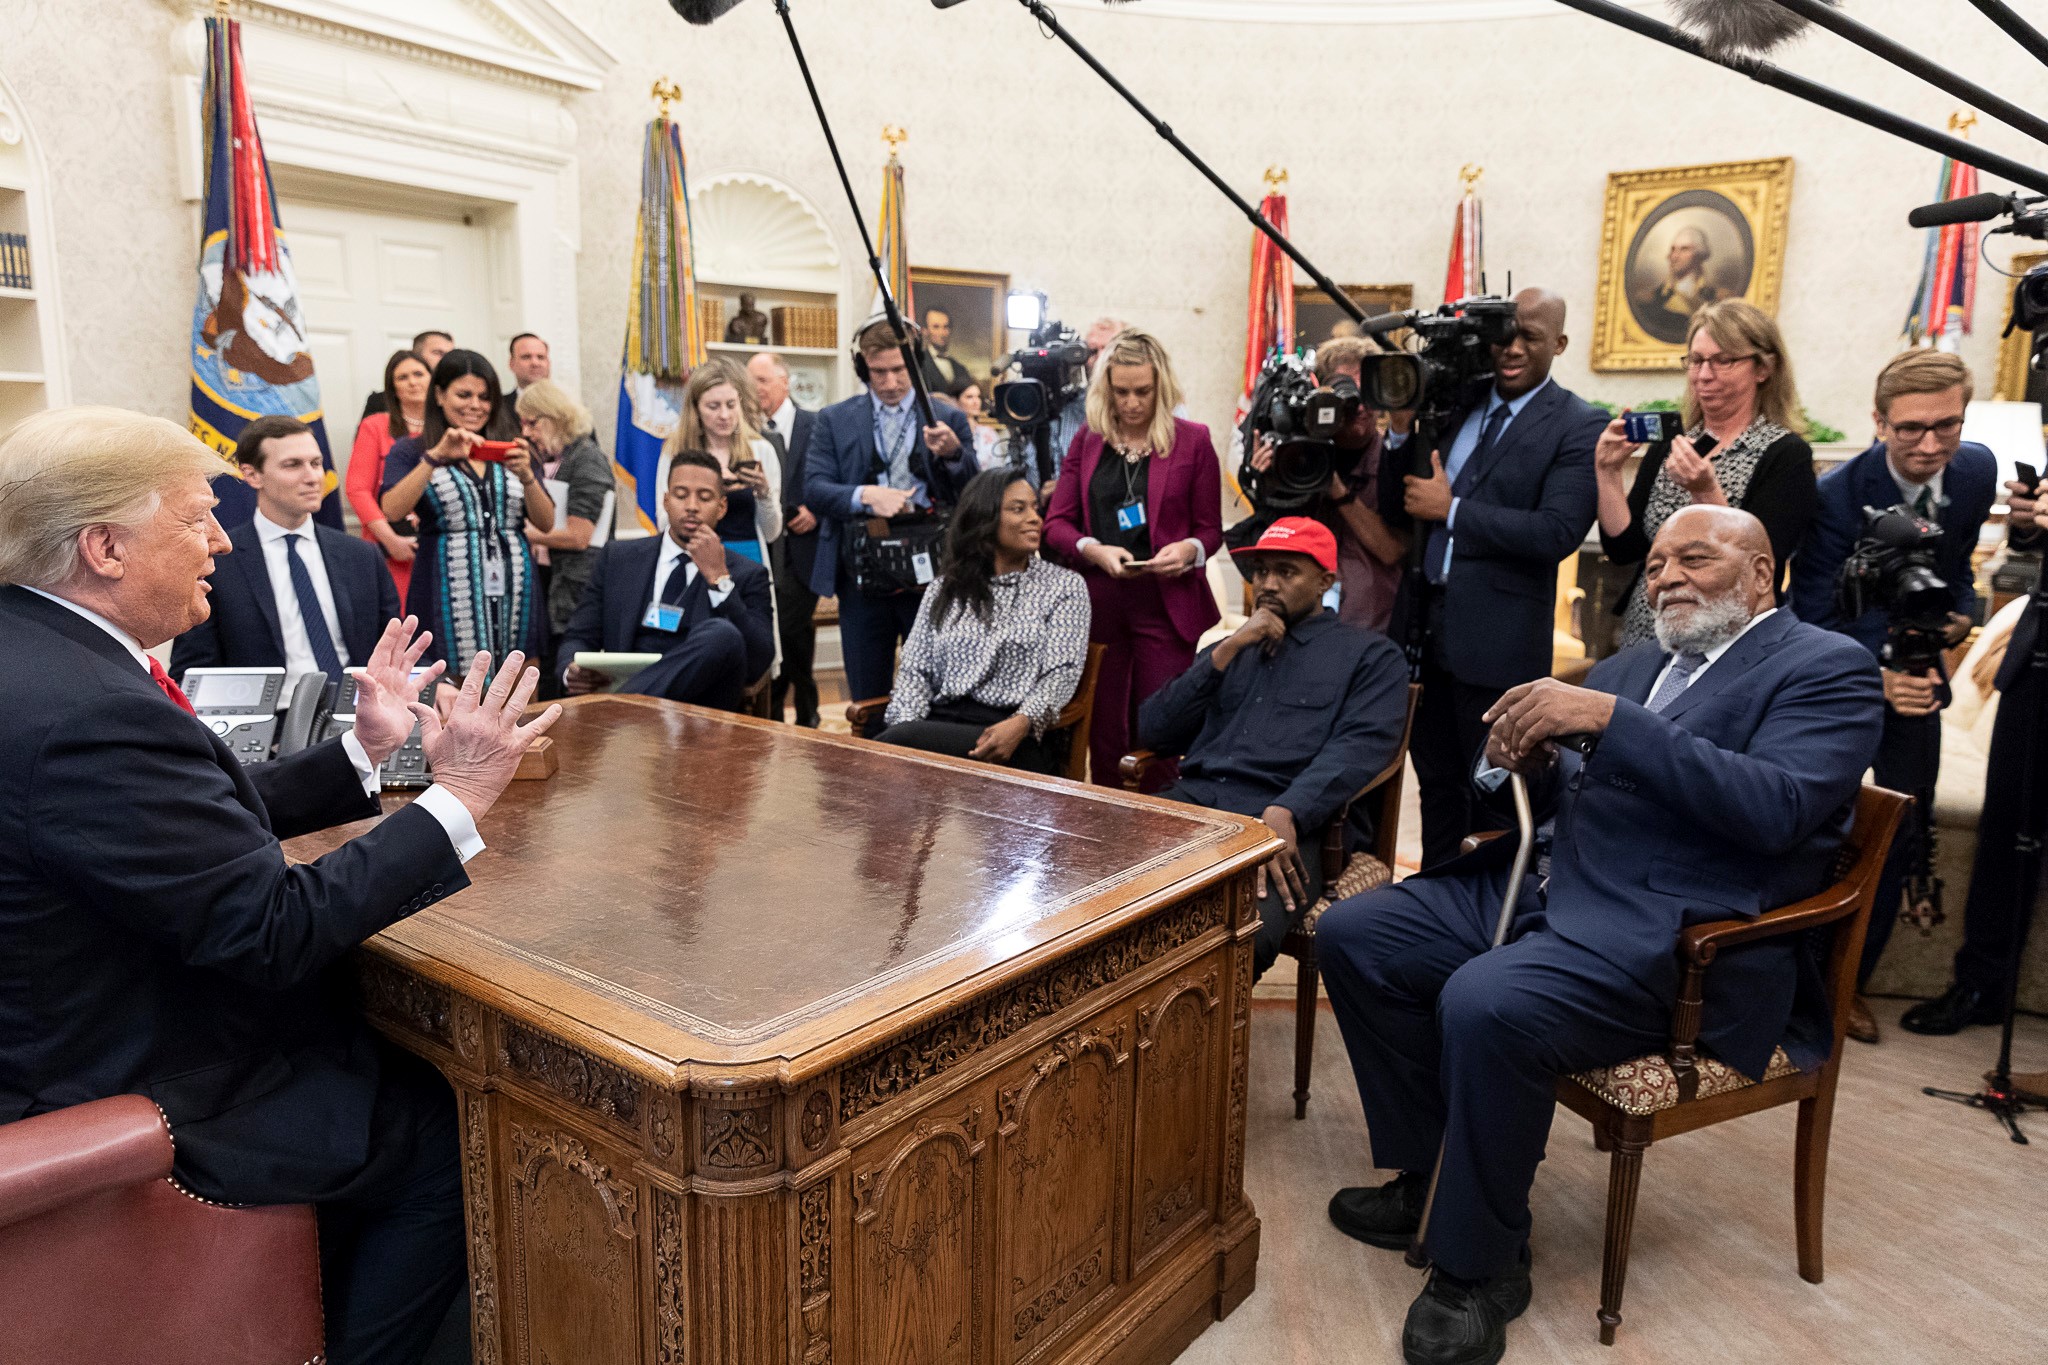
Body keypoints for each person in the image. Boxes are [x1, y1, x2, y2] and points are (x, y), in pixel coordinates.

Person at [0, 405, 560, 1365]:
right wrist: (460, 794)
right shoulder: (89, 711)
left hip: (66, 1022)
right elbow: (273, 930)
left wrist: (360, 753)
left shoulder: (38, 658)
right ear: (104, 547)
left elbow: (165, 826)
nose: (223, 539)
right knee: (445, 1131)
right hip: (135, 1074)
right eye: (196, 518)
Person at [1317, 506, 1882, 1365]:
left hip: (1675, 933)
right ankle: (1433, 1176)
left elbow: (1778, 808)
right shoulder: (1635, 663)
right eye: (1654, 566)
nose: (1666, 578)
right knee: (1357, 933)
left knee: (1486, 1003)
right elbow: (1562, 786)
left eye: (1694, 558)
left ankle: (1479, 1264)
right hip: (1549, 884)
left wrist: (1613, 720)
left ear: (1762, 573)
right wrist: (1526, 760)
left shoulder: (1825, 667)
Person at [1787, 349, 1996, 1043]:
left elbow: (1958, 566)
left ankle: (1846, 985)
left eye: (1947, 425)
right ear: (1878, 422)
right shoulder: (1834, 497)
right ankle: (1789, 981)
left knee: (1901, 830)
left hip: (1919, 675)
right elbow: (1812, 614)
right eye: (1910, 428)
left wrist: (1958, 619)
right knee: (1820, 832)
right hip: (1839, 683)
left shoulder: (1976, 472)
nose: (1930, 445)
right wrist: (1877, 680)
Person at [1386, 287, 1605, 867]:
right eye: (1505, 334)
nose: (1512, 348)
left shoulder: (1579, 423)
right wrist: (1400, 432)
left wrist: (1453, 510)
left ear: (1559, 343)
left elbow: (1556, 531)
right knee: (1436, 786)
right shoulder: (1455, 401)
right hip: (1421, 630)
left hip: (1498, 644)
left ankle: (1491, 911)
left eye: (1530, 337)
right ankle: (1433, 897)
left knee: (1497, 795)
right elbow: (1399, 499)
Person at [1138, 517, 1409, 976]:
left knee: (1236, 937)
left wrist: (1290, 808)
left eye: (1286, 572)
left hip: (1289, 819)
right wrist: (1226, 650)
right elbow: (1154, 731)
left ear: (1325, 581)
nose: (1267, 583)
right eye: (1261, 571)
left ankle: (1201, 1023)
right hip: (1195, 805)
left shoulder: (1370, 656)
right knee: (1106, 906)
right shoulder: (1233, 648)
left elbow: (1360, 747)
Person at [1894, 464, 2048, 1037]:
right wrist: (2028, 526)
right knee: (2004, 831)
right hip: (2034, 662)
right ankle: (1982, 984)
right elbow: (2031, 551)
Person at [1045, 329, 1223, 787]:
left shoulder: (1193, 440)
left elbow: (1210, 531)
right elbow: (1057, 523)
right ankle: (1108, 820)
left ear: (1161, 386)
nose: (1131, 403)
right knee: (1103, 731)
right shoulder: (1089, 440)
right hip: (1101, 599)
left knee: (1160, 730)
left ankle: (1164, 821)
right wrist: (1093, 549)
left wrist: (1189, 550)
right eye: (1121, 392)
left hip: (1164, 601)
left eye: (1142, 392)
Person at [1597, 298, 1817, 649]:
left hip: (1728, 642)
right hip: (1647, 636)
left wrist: (1705, 491)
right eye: (1696, 360)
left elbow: (1758, 566)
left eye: (1723, 361)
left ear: (1763, 369)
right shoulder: (1672, 445)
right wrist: (1607, 471)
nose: (1704, 375)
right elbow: (1624, 549)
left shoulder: (1786, 454)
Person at [805, 318, 977, 713]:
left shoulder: (947, 418)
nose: (890, 382)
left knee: (936, 692)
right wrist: (866, 496)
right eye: (878, 372)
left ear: (915, 364)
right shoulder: (833, 419)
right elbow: (814, 488)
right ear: (862, 367)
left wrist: (954, 453)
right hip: (861, 574)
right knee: (868, 696)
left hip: (933, 572)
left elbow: (972, 491)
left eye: (899, 370)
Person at [876, 469, 1090, 773]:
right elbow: (915, 670)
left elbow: (1061, 674)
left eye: (1035, 508)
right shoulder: (947, 587)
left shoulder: (1064, 586)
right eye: (1018, 509)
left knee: (879, 759)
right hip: (938, 725)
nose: (1035, 518)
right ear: (984, 518)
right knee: (896, 752)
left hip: (1013, 736)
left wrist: (1022, 722)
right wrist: (905, 725)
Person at [171, 414, 400, 686]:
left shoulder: (362, 556)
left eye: (316, 463)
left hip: (356, 704)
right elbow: (192, 675)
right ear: (252, 475)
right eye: (293, 465)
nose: (313, 477)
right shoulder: (217, 562)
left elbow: (396, 650)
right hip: (271, 709)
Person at [379, 349, 554, 675]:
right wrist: (434, 458)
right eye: (464, 395)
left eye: (484, 397)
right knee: (450, 685)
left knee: (520, 683)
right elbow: (392, 509)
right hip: (446, 587)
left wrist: (528, 476)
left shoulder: (512, 449)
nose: (475, 405)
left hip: (516, 587)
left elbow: (545, 523)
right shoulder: (413, 450)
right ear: (439, 395)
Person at [555, 451, 774, 709]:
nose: (692, 506)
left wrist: (720, 579)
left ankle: (618, 708)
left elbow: (759, 659)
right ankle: (627, 706)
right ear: (666, 501)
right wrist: (570, 670)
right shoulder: (618, 558)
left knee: (722, 634)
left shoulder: (747, 573)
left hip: (700, 708)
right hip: (625, 686)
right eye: (681, 495)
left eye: (704, 497)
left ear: (722, 507)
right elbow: (579, 635)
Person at [1249, 336, 1406, 632]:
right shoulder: (1295, 456)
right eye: (1346, 393)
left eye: (1367, 392)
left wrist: (1334, 487)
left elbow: (1391, 549)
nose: (1359, 406)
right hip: (1298, 624)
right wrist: (1268, 482)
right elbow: (1270, 549)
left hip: (1369, 625)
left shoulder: (1396, 459)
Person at [515, 378, 615, 657]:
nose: (526, 433)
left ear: (555, 417)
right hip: (555, 584)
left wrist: (521, 534)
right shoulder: (557, 459)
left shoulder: (587, 459)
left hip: (576, 590)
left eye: (532, 423)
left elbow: (579, 536)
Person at [749, 352, 823, 727]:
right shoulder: (746, 431)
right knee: (783, 632)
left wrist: (817, 510)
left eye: (762, 380)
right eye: (751, 381)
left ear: (785, 382)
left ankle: (796, 710)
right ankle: (789, 713)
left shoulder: (817, 424)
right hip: (763, 551)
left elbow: (833, 476)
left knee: (790, 627)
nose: (755, 389)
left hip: (804, 551)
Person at [664, 357, 783, 564]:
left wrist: (764, 494)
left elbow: (772, 533)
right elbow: (663, 521)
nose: (724, 415)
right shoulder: (676, 451)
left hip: (749, 558)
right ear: (696, 409)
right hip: (693, 557)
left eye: (731, 405)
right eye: (713, 406)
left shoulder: (761, 450)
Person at [347, 349, 431, 601]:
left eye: (419, 374)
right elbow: (357, 490)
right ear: (392, 388)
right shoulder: (375, 425)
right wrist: (391, 541)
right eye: (403, 377)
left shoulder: (450, 430)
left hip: (438, 548)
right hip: (388, 549)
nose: (413, 382)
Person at [1044, 316, 1131, 500]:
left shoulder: (1158, 407)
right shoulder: (1067, 410)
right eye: (1092, 351)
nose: (1100, 358)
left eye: (1109, 349)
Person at [1632, 224, 1732, 345]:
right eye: (1673, 249)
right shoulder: (1649, 300)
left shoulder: (1720, 298)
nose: (1674, 256)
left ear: (1699, 254)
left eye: (1684, 249)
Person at [360, 329, 452, 422]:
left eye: (450, 354)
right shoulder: (380, 403)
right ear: (417, 354)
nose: (447, 359)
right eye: (438, 353)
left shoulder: (451, 399)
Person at [919, 306, 977, 398]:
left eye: (945, 327)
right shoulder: (919, 363)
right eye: (936, 327)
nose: (942, 333)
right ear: (925, 331)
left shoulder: (960, 368)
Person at [497, 332, 551, 427]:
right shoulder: (497, 407)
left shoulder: (565, 406)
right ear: (511, 363)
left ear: (549, 363)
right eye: (526, 357)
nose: (535, 363)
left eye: (541, 357)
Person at [956, 380, 1004, 468]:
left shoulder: (988, 432)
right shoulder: (953, 434)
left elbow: (999, 465)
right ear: (956, 400)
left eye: (978, 397)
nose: (976, 402)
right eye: (969, 397)